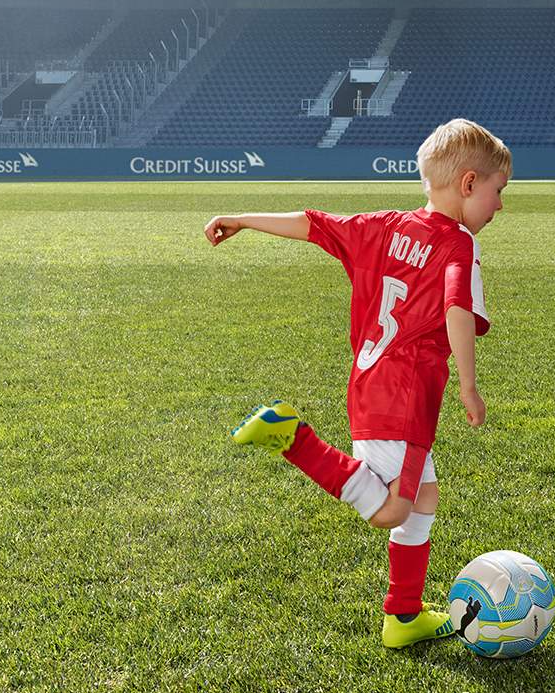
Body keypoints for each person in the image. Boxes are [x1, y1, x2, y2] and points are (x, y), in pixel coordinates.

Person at [207, 118, 506, 648]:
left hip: (370, 382)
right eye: (496, 191)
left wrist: (241, 220)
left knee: (425, 499)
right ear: (467, 184)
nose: (499, 206)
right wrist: (468, 384)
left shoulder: (384, 226)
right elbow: (456, 305)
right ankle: (292, 436)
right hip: (407, 394)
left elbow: (310, 222)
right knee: (394, 508)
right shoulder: (456, 243)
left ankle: (403, 616)